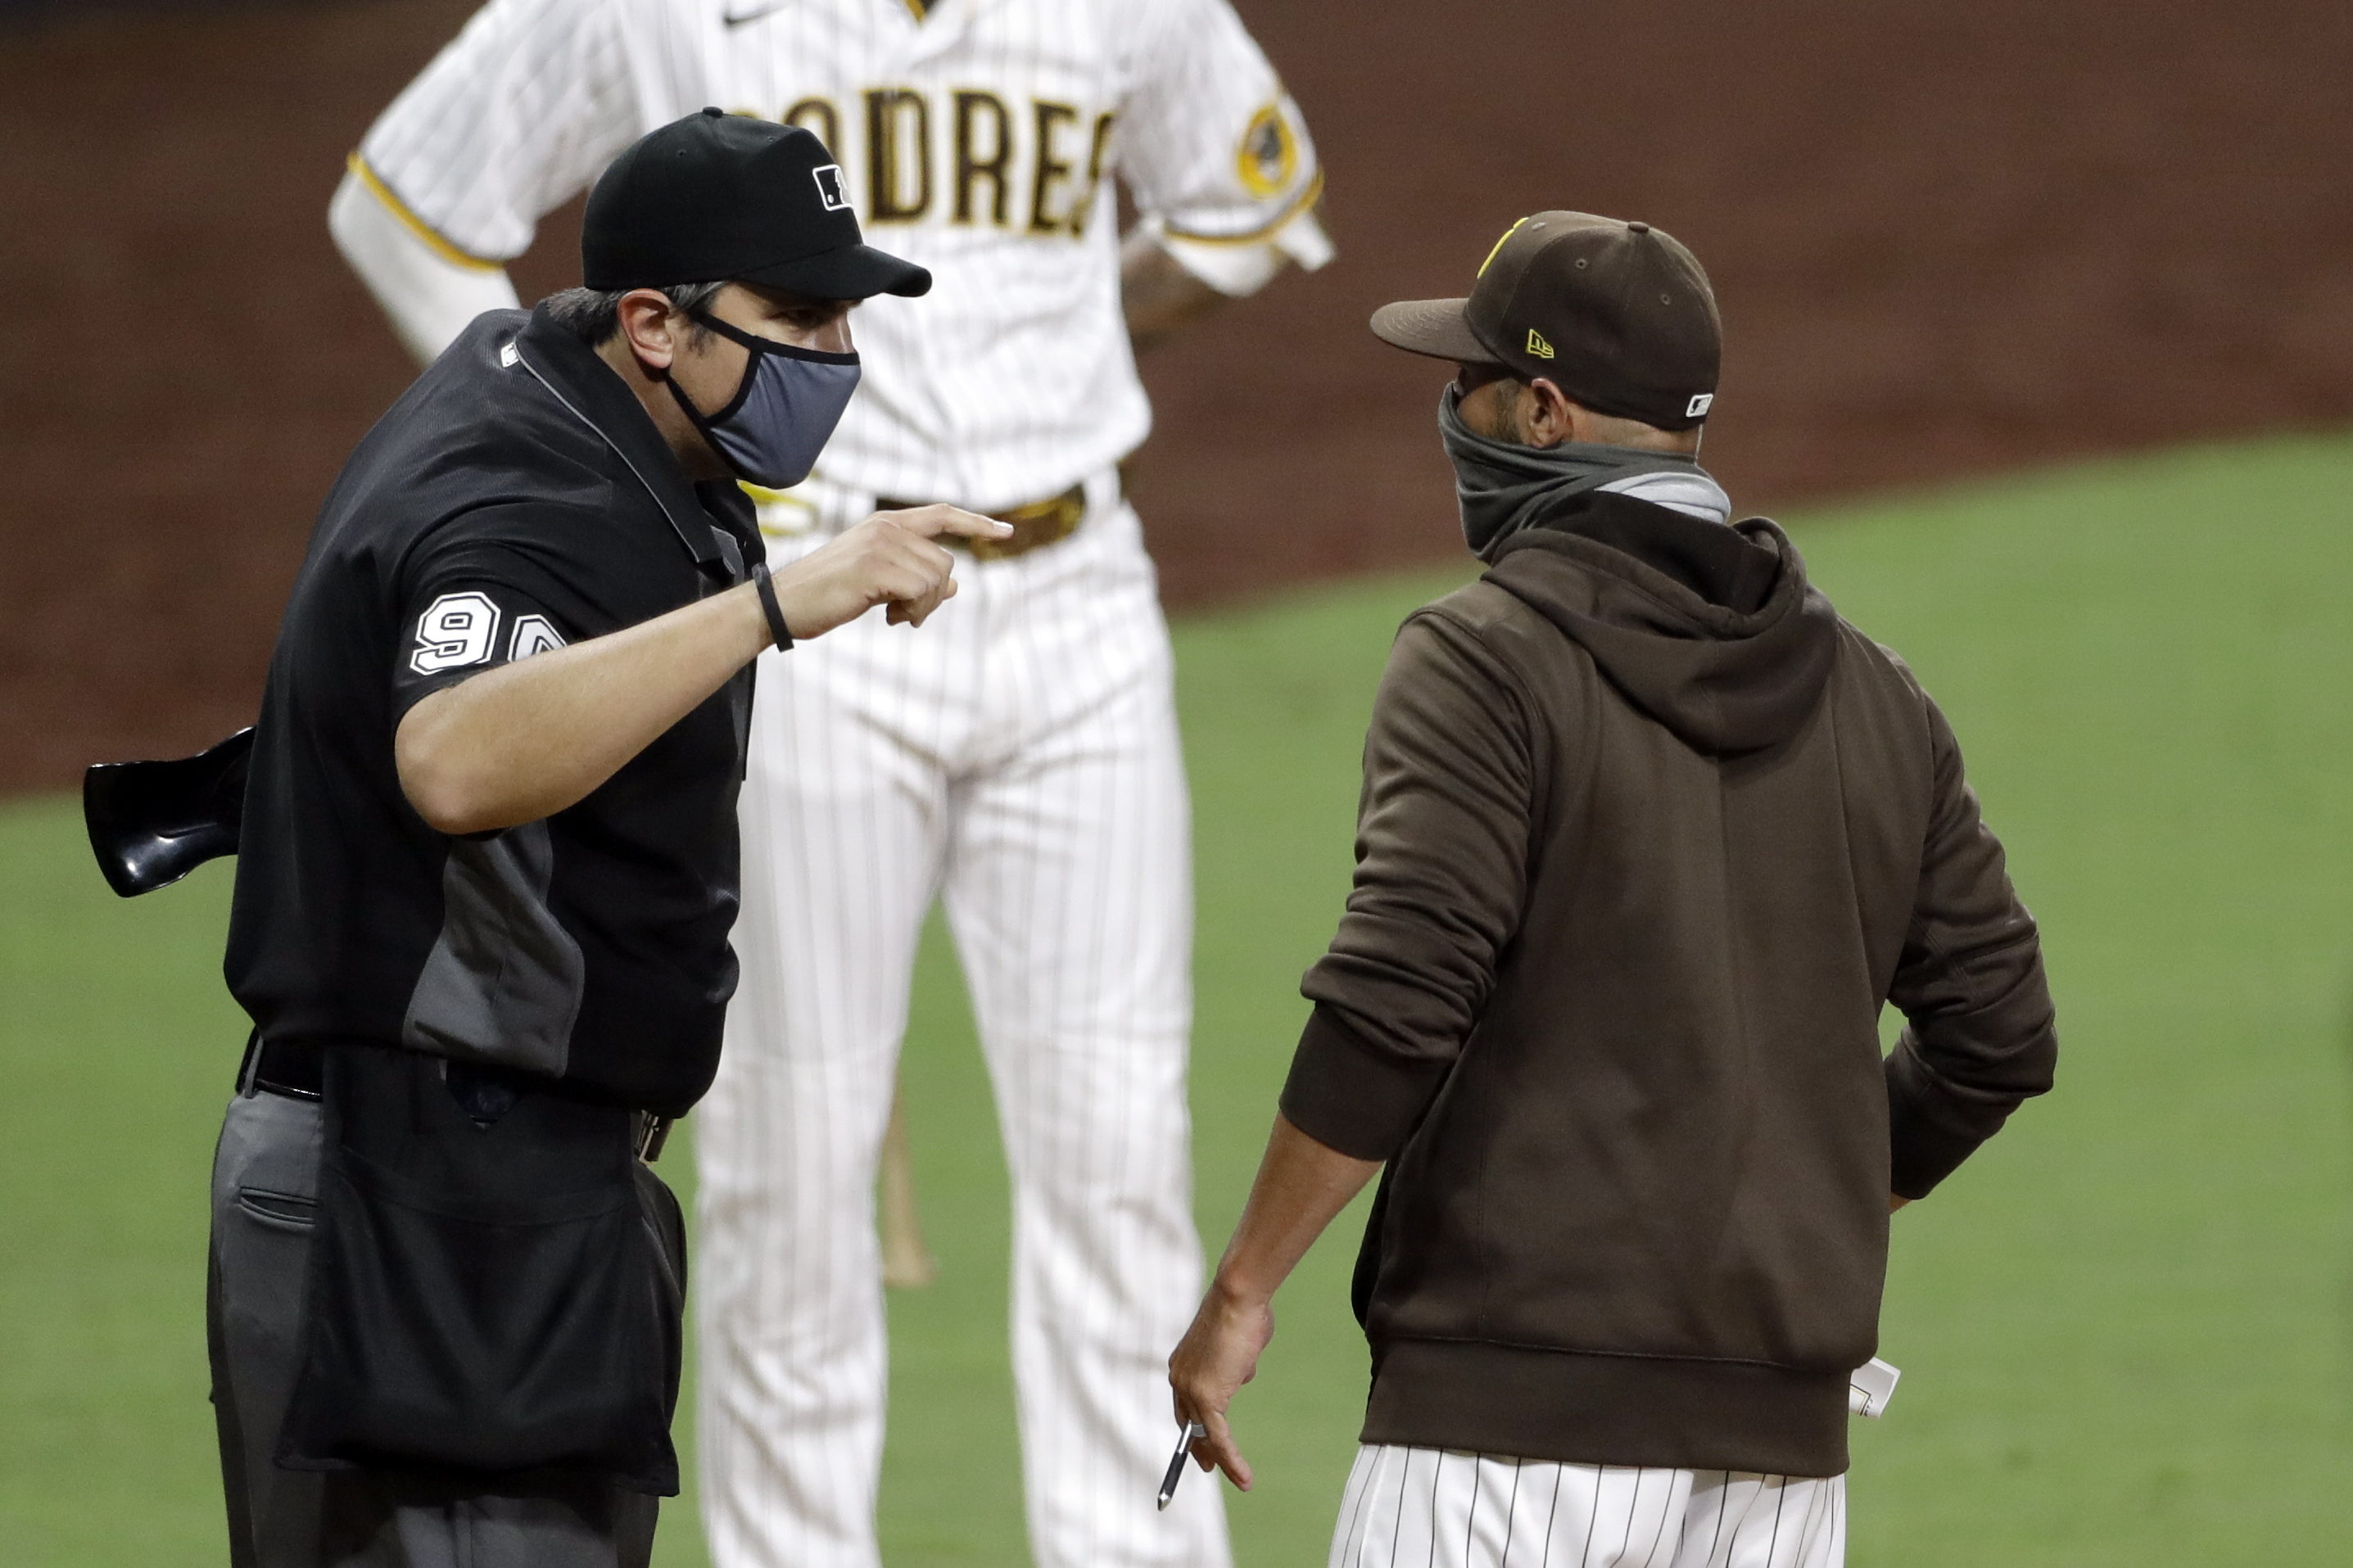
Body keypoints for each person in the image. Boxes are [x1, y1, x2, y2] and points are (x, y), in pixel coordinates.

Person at [328, 6, 1332, 1566]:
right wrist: (577, 452)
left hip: (1079, 604)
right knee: (789, 1165)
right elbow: (399, 203)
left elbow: (1249, 199)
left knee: (1119, 1155)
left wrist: (1068, 332)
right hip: (805, 597)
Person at [1167, 212, 2060, 1568]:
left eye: (1463, 380)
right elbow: (1999, 1032)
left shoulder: (1483, 660)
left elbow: (1397, 1004)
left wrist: (1243, 1288)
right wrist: (1814, 1199)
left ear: (1539, 409)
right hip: (1774, 1463)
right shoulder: (1877, 697)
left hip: (1500, 1427)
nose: (1444, 407)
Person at [210, 108, 1007, 1568]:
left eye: (845, 315)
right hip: (424, 1191)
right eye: (799, 317)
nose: (833, 356)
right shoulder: (526, 494)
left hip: (483, 1174)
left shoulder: (570, 397)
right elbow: (450, 759)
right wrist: (775, 606)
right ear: (652, 321)